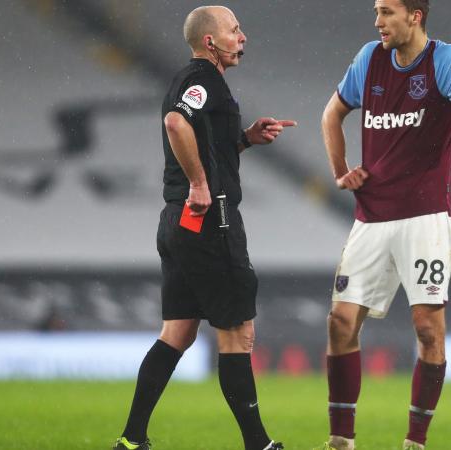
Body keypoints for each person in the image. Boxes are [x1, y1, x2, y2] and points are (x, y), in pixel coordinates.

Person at [319, 1, 451, 449]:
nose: (377, 21)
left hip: (425, 217)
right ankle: (341, 439)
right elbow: (331, 114)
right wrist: (341, 170)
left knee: (427, 329)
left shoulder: (445, 58)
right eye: (376, 11)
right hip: (372, 215)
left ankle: (415, 441)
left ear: (415, 15)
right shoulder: (370, 58)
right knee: (340, 322)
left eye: (386, 12)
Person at [113, 6, 295, 450]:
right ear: (210, 41)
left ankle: (132, 439)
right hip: (212, 221)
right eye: (235, 30)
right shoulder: (203, 79)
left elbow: (198, 136)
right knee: (238, 334)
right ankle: (258, 445)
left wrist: (245, 139)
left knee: (177, 332)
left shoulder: (197, 82)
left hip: (178, 221)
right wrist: (199, 183)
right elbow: (175, 122)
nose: (243, 37)